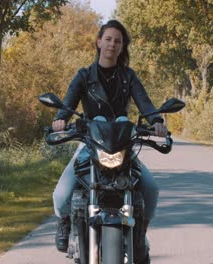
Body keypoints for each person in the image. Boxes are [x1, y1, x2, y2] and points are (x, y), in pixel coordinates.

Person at [51, 20, 168, 254]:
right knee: (62, 194)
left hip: (122, 146)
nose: (112, 44)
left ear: (122, 46)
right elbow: (68, 103)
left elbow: (144, 102)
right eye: (108, 39)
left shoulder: (128, 76)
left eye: (118, 41)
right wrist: (60, 120)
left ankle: (140, 233)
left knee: (151, 189)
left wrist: (156, 121)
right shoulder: (84, 76)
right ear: (98, 42)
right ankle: (65, 223)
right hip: (91, 143)